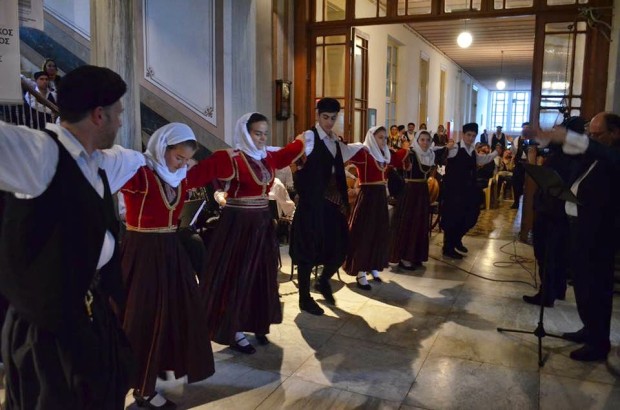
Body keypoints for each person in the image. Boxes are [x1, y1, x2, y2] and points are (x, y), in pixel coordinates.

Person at [0, 65, 145, 409]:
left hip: (89, 316)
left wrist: (159, 160)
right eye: (119, 114)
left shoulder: (99, 162)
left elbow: (136, 158)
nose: (121, 123)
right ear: (99, 115)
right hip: (46, 332)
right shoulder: (41, 152)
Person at [120, 122, 223, 408]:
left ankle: (152, 378)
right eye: (178, 157)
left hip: (170, 252)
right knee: (142, 318)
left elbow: (212, 168)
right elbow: (104, 176)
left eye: (186, 160)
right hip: (141, 253)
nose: (182, 164)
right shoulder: (140, 174)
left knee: (173, 316)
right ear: (162, 147)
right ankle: (140, 386)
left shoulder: (179, 178)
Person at [201, 113, 305, 353]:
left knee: (262, 274)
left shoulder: (265, 157)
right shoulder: (231, 158)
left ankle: (257, 322)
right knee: (239, 275)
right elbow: (200, 174)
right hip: (238, 224)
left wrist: (303, 139)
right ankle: (234, 329)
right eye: (257, 133)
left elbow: (286, 155)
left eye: (265, 133)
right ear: (245, 133)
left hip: (262, 222)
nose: (262, 138)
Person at [544, 112, 620, 361]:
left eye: (598, 135)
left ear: (614, 134)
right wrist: (555, 139)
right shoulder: (594, 156)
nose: (593, 139)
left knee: (596, 287)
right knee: (582, 284)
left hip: (598, 234)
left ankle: (598, 343)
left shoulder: (613, 156)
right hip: (579, 228)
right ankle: (589, 328)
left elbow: (603, 154)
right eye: (590, 134)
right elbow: (574, 159)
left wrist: (573, 137)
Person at [290, 98, 363, 315]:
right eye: (325, 117)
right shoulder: (308, 138)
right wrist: (305, 193)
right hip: (312, 205)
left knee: (342, 247)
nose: (329, 122)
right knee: (307, 251)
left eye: (333, 118)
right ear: (318, 115)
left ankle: (323, 281)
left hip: (332, 205)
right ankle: (304, 298)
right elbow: (295, 165)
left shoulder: (334, 141)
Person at [343, 126, 404, 288]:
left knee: (379, 232)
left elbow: (400, 161)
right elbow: (344, 152)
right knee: (365, 233)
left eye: (385, 137)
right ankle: (360, 271)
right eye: (380, 137)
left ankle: (373, 265)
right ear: (371, 137)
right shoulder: (363, 153)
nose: (383, 140)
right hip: (368, 196)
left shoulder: (385, 155)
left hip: (380, 197)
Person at [440, 123, 499, 259]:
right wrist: (445, 148)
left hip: (468, 190)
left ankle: (457, 239)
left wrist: (496, 153)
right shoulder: (455, 148)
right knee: (452, 218)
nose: (471, 138)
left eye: (473, 135)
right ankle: (448, 247)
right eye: (468, 135)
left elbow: (481, 159)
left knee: (471, 216)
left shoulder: (472, 150)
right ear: (463, 134)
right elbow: (440, 154)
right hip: (454, 191)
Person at [389, 130, 438, 270]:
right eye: (422, 139)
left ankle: (416, 256)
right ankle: (405, 257)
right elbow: (392, 165)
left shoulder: (430, 155)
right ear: (417, 140)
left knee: (420, 223)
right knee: (409, 223)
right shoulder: (410, 153)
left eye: (428, 140)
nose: (425, 143)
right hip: (410, 192)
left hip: (423, 191)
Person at [509, 122, 531, 209]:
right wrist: (512, 143)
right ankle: (516, 202)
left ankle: (527, 203)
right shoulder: (517, 139)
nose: (525, 129)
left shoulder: (532, 139)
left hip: (529, 165)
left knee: (529, 184)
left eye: (527, 128)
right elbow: (514, 152)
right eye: (524, 127)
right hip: (519, 164)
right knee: (516, 183)